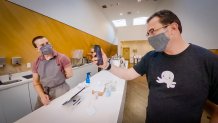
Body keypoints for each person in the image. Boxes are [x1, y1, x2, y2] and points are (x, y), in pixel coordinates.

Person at [92, 10, 218, 123]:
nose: (150, 38)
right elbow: (128, 74)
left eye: (152, 31)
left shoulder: (208, 60)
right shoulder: (151, 57)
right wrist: (107, 65)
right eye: (148, 34)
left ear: (173, 28)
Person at [32, 36, 73, 110]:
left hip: (61, 90)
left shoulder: (62, 58)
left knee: (62, 112)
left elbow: (69, 75)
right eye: (42, 45)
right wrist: (42, 96)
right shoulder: (36, 62)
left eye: (47, 43)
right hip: (44, 92)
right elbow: (36, 82)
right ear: (37, 49)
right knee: (38, 113)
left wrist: (68, 73)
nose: (46, 46)